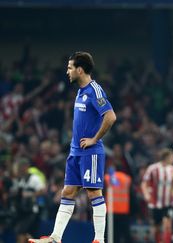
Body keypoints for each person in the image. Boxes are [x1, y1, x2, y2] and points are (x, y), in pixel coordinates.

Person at [29, 51, 117, 243]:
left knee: (94, 192)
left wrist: (94, 139)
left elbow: (111, 117)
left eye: (70, 68)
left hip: (90, 152)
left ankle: (99, 239)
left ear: (79, 69)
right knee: (67, 192)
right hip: (75, 152)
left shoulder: (95, 90)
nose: (67, 71)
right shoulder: (80, 91)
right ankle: (55, 237)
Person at [141, 148, 173, 243]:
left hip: (168, 203)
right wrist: (146, 194)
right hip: (155, 203)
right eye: (171, 157)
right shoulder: (153, 168)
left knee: (167, 225)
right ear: (166, 157)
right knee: (156, 227)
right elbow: (144, 183)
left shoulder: (172, 169)